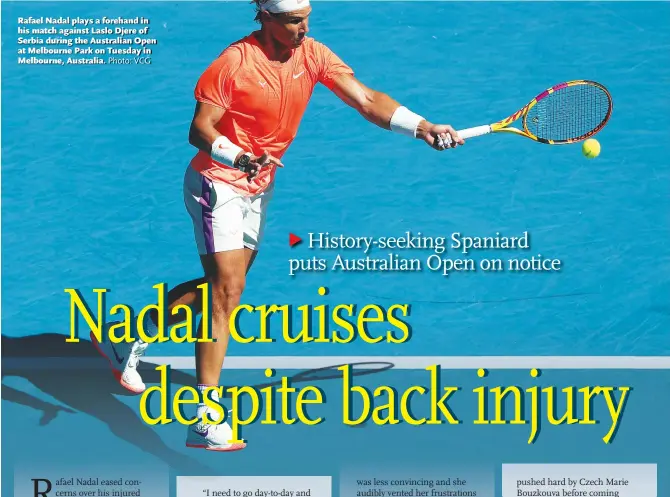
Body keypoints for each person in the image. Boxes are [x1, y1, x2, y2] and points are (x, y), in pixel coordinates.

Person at [92, 0, 464, 452]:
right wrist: (239, 156)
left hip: (259, 183)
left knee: (223, 285)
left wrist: (420, 125)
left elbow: (366, 99)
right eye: (292, 20)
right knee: (227, 291)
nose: (302, 27)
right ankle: (207, 418)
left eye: (306, 16)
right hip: (218, 181)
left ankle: (128, 337)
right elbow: (200, 129)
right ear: (264, 17)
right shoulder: (233, 63)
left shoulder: (314, 54)